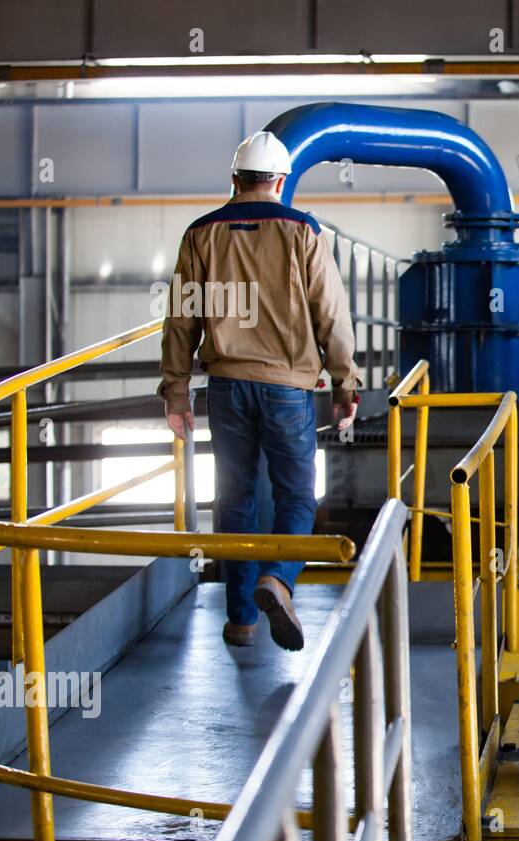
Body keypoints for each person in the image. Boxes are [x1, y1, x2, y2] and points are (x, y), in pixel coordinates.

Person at [158, 131, 362, 650]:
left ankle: (241, 619)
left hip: (225, 386)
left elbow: (180, 319)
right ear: (280, 181)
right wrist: (345, 384)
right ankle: (280, 578)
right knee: (296, 494)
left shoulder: (199, 233)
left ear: (234, 179)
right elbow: (331, 313)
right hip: (288, 389)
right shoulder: (302, 231)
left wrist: (176, 393)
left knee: (235, 497)